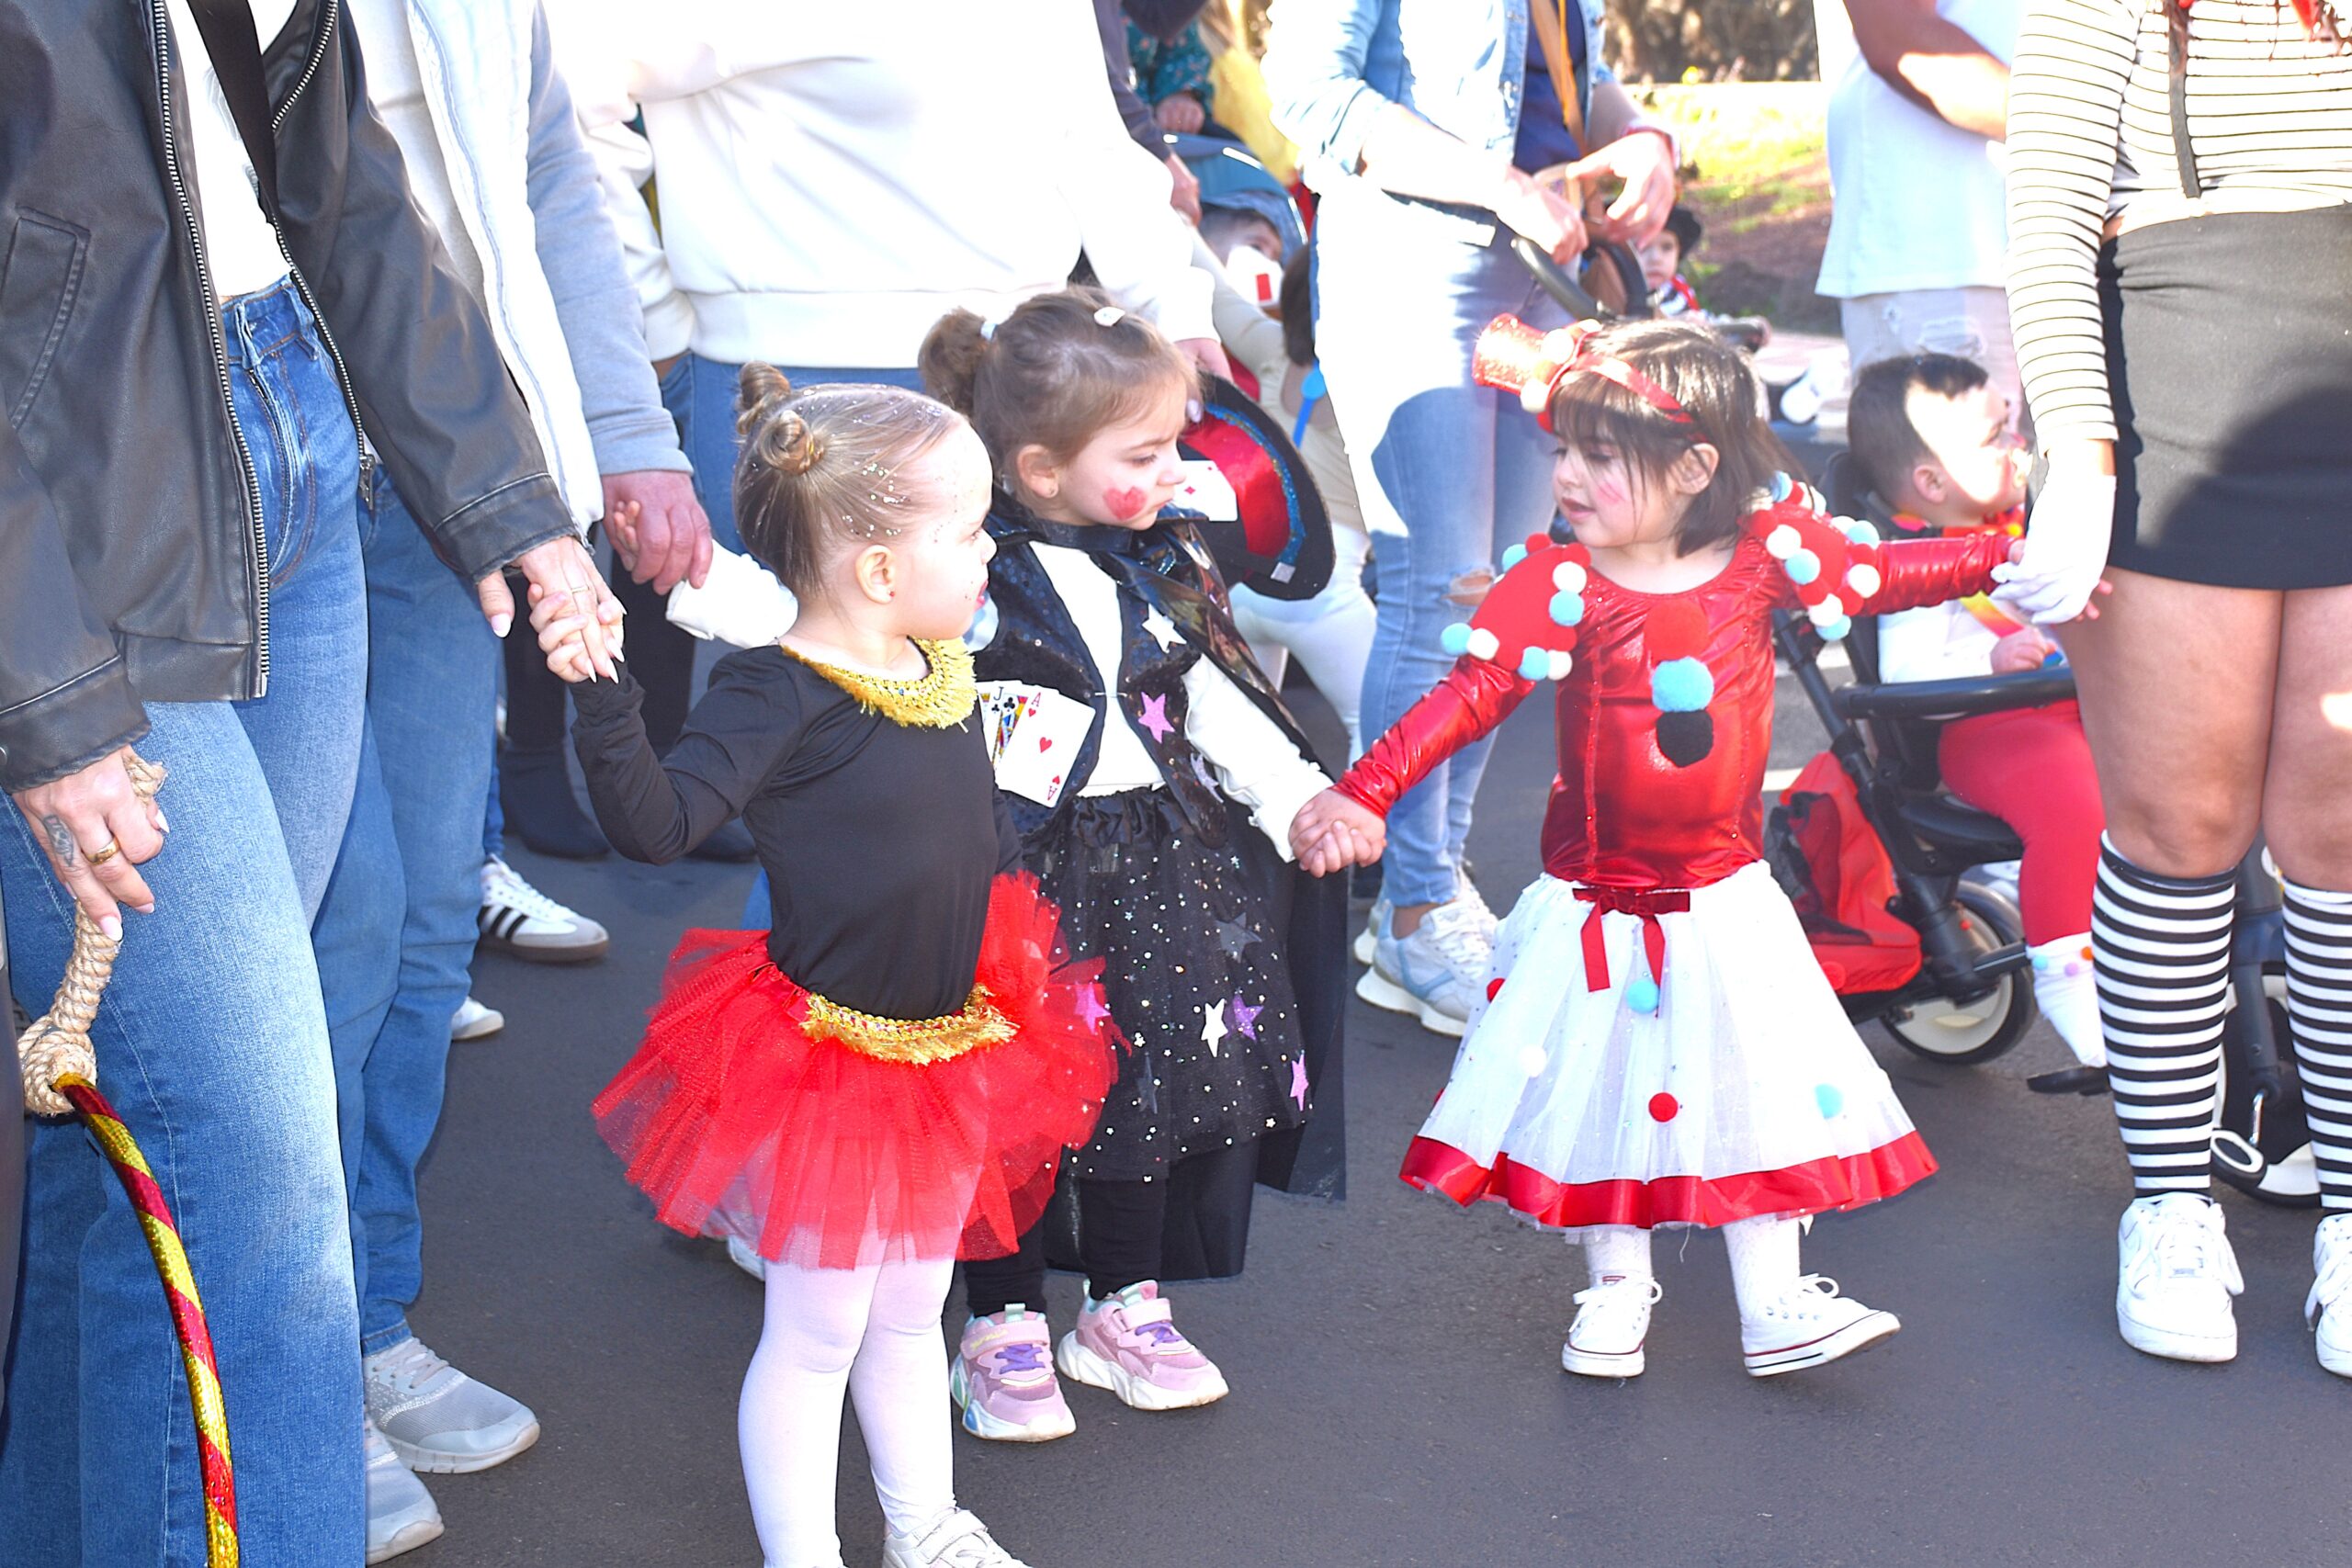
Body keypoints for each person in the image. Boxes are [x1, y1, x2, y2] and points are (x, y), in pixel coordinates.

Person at [0, 2, 616, 1562]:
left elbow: (339, 179)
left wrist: (505, 498)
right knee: (250, 1181)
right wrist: (47, 688)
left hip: (284, 427)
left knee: (136, 1168)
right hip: (76, 523)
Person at [1292, 318, 2017, 1377]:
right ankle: (1614, 1291)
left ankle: (1775, 1303)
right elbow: (1466, 697)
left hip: (1725, 897)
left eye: (1599, 455)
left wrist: (2017, 557)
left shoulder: (1766, 557)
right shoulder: (1562, 582)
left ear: (1694, 468)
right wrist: (1361, 791)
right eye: (1562, 451)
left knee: (1751, 1082)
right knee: (1603, 1092)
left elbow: (1888, 574)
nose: (1568, 476)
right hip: (1597, 905)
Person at [540, 372, 1115, 1568]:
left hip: (955, 1037)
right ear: (879, 571)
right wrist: (603, 693)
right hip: (833, 1063)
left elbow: (967, 826)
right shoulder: (779, 689)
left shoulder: (933, 660)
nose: (989, 549)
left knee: (912, 1311)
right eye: (967, 530)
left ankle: (926, 1523)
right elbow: (660, 825)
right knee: (815, 1331)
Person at [308, 2, 694, 1555]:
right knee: (316, 938)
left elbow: (544, 173)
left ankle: (363, 1314)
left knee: (408, 928)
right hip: (249, 444)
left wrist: (619, 428)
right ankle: (287, 1353)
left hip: (453, 458)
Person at [922, 291, 1345, 1439]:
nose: (1176, 473)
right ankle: (999, 1322)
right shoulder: (963, 580)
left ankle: (1121, 1303)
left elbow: (1218, 703)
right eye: (1146, 453)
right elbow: (861, 662)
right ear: (1039, 469)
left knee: (1146, 1091)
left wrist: (1304, 798)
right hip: (1014, 881)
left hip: (1158, 871)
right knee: (1012, 1103)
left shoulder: (1159, 566)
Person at [2000, 0, 2352, 1370]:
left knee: (2340, 839)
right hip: (2175, 375)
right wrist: (2077, 452)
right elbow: (2049, 205)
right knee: (2180, 825)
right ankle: (2170, 1203)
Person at [1267, 0, 1681, 1036]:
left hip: (1536, 276)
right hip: (1416, 268)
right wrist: (1498, 183)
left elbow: (1561, 80)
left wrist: (1643, 139)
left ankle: (1434, 889)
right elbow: (1311, 96)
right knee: (1438, 597)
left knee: (1508, 602)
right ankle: (1412, 911)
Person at [1844, 353, 2105, 1074]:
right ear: (1932, 482)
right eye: (1997, 437)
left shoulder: (2017, 525)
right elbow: (1906, 673)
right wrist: (1987, 663)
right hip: (1984, 729)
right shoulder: (1919, 563)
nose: (2017, 447)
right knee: (2076, 811)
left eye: (2012, 428)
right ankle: (2071, 978)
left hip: (2062, 708)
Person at [1818, 0, 2022, 413]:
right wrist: (2083, 127)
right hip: (1947, 257)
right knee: (1967, 473)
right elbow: (1898, 38)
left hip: (2049, 238)